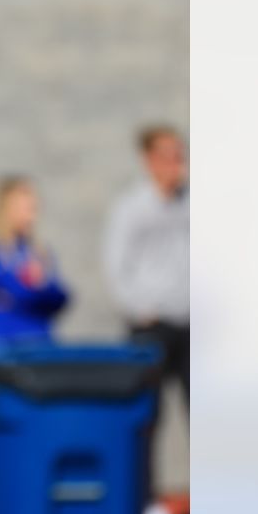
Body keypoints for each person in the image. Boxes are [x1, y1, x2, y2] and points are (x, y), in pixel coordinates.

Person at [103, 124, 189, 403]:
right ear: (149, 161)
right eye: (168, 156)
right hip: (153, 325)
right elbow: (116, 265)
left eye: (179, 155)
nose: (176, 164)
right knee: (144, 410)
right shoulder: (130, 208)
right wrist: (140, 309)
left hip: (191, 322)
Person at [0, 175, 69, 348]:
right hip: (4, 349)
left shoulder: (38, 252)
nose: (32, 217)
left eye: (34, 209)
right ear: (5, 209)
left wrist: (40, 288)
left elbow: (60, 297)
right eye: (26, 209)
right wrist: (36, 288)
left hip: (40, 345)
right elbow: (18, 292)